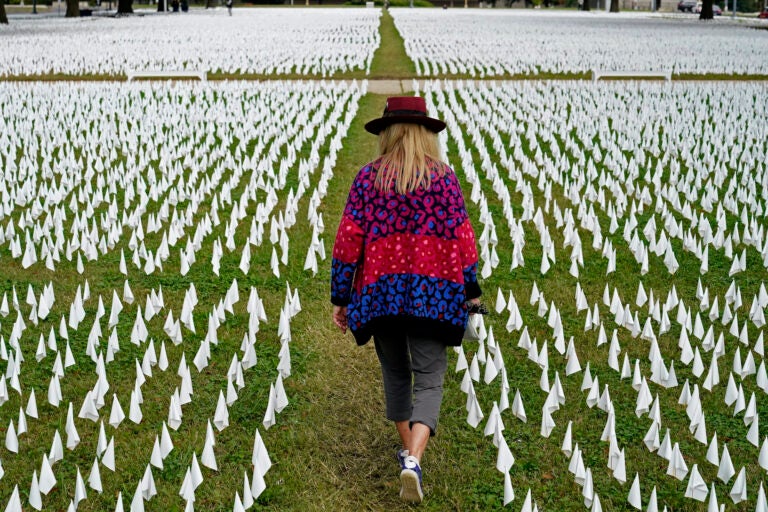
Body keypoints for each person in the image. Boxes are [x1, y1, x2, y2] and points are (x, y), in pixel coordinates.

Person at [330, 96, 482, 503]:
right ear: (425, 134)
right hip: (433, 296)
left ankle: (408, 454)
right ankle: (413, 458)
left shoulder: (367, 179)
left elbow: (347, 242)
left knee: (396, 373)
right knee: (430, 378)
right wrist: (471, 290)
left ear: (388, 133)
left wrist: (340, 296)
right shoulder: (444, 179)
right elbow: (464, 240)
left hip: (381, 296)